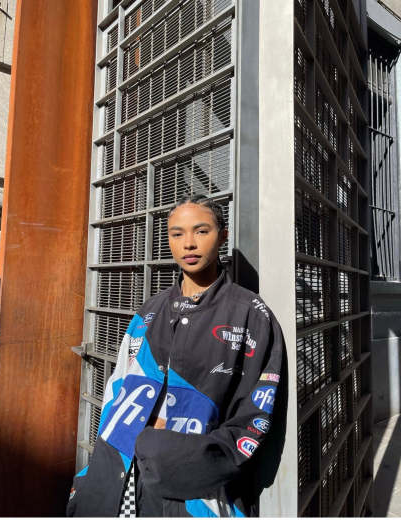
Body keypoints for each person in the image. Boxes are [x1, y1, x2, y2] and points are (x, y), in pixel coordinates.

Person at [67, 195, 287, 517]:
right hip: (114, 481)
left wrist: (168, 452)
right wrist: (91, 475)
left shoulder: (250, 315)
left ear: (223, 236)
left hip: (191, 497)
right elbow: (117, 391)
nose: (189, 244)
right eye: (177, 233)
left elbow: (252, 419)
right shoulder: (149, 312)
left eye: (201, 231)